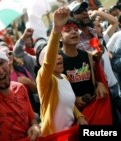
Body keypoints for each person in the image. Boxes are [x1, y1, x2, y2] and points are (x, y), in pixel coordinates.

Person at [36, 6, 88, 136]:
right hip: (54, 136)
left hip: (71, 133)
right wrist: (56, 29)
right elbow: (48, 62)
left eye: (58, 54)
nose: (58, 57)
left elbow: (70, 104)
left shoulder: (64, 77)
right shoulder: (44, 79)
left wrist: (80, 116)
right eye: (54, 56)